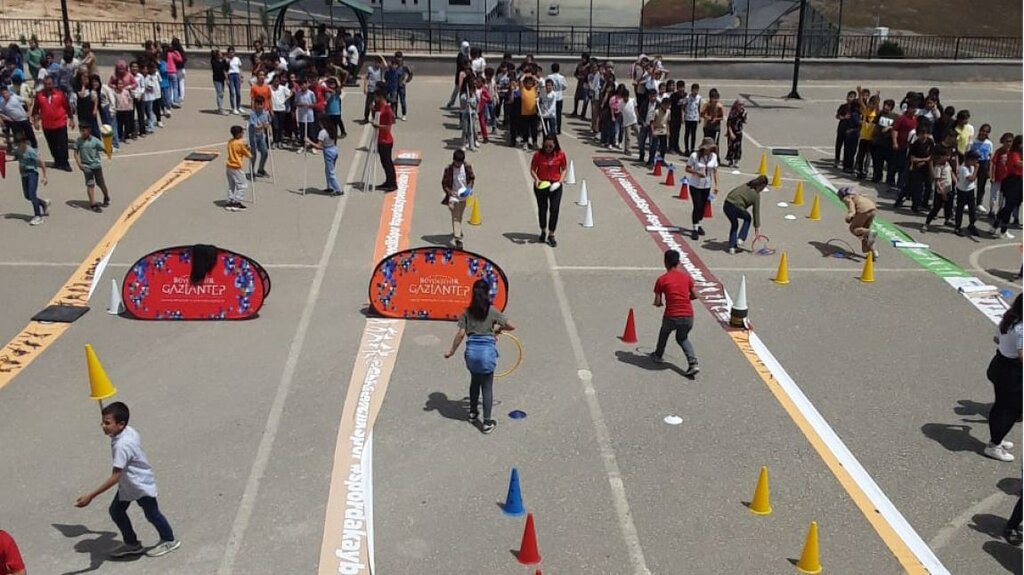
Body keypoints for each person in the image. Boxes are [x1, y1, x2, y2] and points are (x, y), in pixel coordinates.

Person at [75, 401, 181, 558]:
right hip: (129, 484)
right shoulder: (128, 431)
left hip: (139, 485)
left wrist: (91, 495)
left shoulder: (122, 446)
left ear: (121, 424)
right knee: (116, 511)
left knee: (152, 514)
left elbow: (115, 476)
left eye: (107, 423)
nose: (103, 426)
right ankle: (132, 544)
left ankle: (169, 540)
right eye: (102, 422)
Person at [444, 279, 515, 435]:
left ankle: (473, 413)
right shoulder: (492, 311)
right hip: (487, 354)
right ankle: (487, 422)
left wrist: (451, 351)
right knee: (487, 387)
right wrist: (496, 329)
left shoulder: (467, 313)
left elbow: (460, 334)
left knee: (474, 382)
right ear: (487, 294)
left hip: (471, 354)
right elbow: (511, 325)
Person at [982, 294, 1022, 462]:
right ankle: (994, 446)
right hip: (1012, 373)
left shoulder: (1008, 319)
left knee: (1001, 406)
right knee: (1011, 410)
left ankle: (997, 438)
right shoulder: (1022, 329)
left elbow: (996, 339)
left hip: (999, 365)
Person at [649, 249, 700, 377]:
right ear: (678, 262)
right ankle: (693, 363)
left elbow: (657, 301)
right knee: (682, 338)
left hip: (671, 315)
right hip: (688, 316)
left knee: (664, 332)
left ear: (665, 262)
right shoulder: (686, 277)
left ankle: (658, 355)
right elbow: (695, 295)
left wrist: (659, 303)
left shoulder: (662, 280)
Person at [530, 134, 568, 247]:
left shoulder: (560, 154)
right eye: (546, 146)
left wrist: (559, 182)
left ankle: (551, 234)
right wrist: (537, 179)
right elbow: (533, 169)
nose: (548, 149)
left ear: (555, 144)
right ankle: (543, 230)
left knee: (554, 209)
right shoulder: (538, 155)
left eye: (550, 146)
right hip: (542, 185)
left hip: (555, 185)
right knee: (542, 209)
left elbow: (564, 169)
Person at [31, 75, 74, 171]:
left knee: (63, 145)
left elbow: (67, 107)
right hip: (47, 126)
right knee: (52, 145)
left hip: (60, 124)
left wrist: (71, 119)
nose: (48, 86)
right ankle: (57, 162)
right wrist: (36, 121)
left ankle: (65, 163)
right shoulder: (39, 96)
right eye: (46, 84)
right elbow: (35, 109)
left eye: (49, 84)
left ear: (53, 84)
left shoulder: (60, 94)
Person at [685, 137, 719, 240]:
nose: (710, 150)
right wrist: (697, 172)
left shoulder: (713, 156)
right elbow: (687, 168)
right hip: (695, 185)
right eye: (709, 147)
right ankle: (695, 229)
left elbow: (715, 171)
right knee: (697, 206)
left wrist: (717, 185)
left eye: (712, 148)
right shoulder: (694, 156)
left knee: (703, 207)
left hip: (707, 185)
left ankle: (698, 223)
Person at [723, 176, 767, 254]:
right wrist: (756, 227)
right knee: (748, 218)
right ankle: (741, 238)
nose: (762, 190)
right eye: (763, 188)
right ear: (762, 186)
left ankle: (732, 248)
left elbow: (733, 192)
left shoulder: (746, 185)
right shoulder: (756, 195)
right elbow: (756, 212)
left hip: (726, 204)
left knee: (734, 224)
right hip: (736, 206)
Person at [12, 135, 50, 226]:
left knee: (32, 194)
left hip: (32, 174)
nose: (19, 146)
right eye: (17, 144)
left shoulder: (30, 151)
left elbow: (41, 162)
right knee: (27, 196)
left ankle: (38, 216)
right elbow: (16, 157)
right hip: (23, 175)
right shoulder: (17, 150)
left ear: (24, 142)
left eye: (20, 144)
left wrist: (45, 176)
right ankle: (43, 203)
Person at [441, 149, 475, 248]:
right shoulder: (449, 169)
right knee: (456, 216)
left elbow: (472, 178)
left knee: (460, 216)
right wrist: (450, 192)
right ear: (454, 160)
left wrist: (469, 188)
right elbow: (444, 183)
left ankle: (458, 230)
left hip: (463, 196)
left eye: (460, 163)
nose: (459, 165)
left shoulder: (467, 167)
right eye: (457, 163)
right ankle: (458, 239)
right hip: (453, 196)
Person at [73, 124, 110, 212]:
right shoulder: (79, 141)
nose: (82, 132)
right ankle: (93, 204)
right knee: (90, 184)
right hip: (86, 166)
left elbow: (104, 149)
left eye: (84, 130)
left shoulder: (95, 141)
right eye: (81, 130)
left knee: (100, 183)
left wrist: (108, 149)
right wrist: (79, 164)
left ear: (89, 130)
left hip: (96, 165)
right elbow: (75, 153)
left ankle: (106, 195)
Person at [836, 187, 879, 259]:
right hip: (872, 209)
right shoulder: (857, 195)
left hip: (863, 210)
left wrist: (850, 215)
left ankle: (870, 232)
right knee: (864, 233)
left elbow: (852, 207)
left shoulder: (847, 198)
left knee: (854, 228)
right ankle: (873, 252)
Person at [993, 135, 1022, 239]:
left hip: (1018, 180)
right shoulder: (1013, 154)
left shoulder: (1019, 153)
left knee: (1012, 205)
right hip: (1012, 181)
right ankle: (1003, 230)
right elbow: (1018, 164)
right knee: (1009, 206)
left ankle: (996, 224)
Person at [306, 116, 342, 196]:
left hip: (328, 151)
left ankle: (338, 189)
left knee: (330, 172)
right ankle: (330, 186)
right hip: (334, 149)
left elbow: (319, 146)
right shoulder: (332, 129)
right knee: (328, 170)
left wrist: (310, 142)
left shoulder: (322, 132)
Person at [372, 84, 398, 192]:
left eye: (376, 96)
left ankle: (393, 183)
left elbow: (388, 126)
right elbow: (375, 117)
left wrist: (378, 126)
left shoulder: (387, 109)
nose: (375, 98)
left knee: (388, 163)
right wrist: (372, 110)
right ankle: (388, 181)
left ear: (381, 96)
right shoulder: (378, 106)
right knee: (384, 162)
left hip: (386, 140)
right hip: (380, 139)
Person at [922, 147, 953, 233]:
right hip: (941, 191)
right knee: (936, 208)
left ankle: (947, 220)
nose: (948, 157)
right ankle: (927, 223)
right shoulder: (938, 167)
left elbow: (951, 173)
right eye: (946, 156)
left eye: (948, 155)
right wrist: (942, 192)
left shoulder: (948, 164)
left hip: (948, 189)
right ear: (941, 157)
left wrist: (955, 181)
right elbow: (937, 181)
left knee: (948, 207)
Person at [953, 150, 981, 236]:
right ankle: (957, 227)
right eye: (975, 160)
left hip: (970, 189)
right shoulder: (963, 168)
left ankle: (971, 224)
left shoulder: (971, 166)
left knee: (972, 208)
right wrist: (976, 169)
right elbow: (971, 179)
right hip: (962, 190)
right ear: (969, 159)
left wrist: (974, 168)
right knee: (960, 209)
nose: (976, 162)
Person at [224, 125, 252, 211]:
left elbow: (239, 150)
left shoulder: (230, 141)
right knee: (243, 185)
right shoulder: (240, 143)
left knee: (231, 185)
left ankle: (230, 201)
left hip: (229, 166)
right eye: (241, 133)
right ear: (238, 134)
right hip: (236, 166)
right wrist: (249, 151)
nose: (243, 134)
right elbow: (246, 153)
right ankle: (237, 202)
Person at [247, 96, 271, 178]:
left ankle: (261, 170)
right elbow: (255, 127)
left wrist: (270, 134)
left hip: (261, 136)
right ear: (255, 104)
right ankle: (251, 172)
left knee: (265, 152)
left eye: (262, 104)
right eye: (258, 104)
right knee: (253, 154)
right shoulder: (252, 114)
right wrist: (263, 126)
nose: (260, 106)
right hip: (253, 136)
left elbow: (268, 124)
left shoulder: (265, 113)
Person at [724, 99, 747, 168]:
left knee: (738, 147)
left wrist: (744, 116)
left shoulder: (743, 112)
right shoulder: (733, 113)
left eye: (742, 105)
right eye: (740, 104)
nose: (741, 106)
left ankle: (736, 161)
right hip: (732, 131)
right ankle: (730, 161)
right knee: (731, 146)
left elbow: (744, 121)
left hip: (739, 132)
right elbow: (728, 123)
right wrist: (730, 133)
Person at [226, 46, 243, 114]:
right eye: (230, 52)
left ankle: (238, 106)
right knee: (232, 93)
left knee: (238, 92)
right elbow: (225, 70)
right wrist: (227, 79)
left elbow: (240, 67)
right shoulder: (227, 60)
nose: (231, 54)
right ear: (228, 53)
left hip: (237, 75)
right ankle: (233, 108)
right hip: (230, 76)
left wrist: (241, 76)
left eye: (232, 52)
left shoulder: (237, 59)